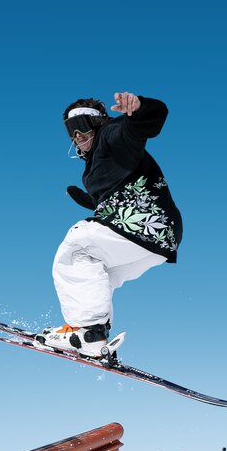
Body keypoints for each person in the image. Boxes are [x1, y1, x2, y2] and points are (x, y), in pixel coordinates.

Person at [42, 93, 182, 359]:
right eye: (72, 134)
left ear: (98, 124)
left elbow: (147, 123)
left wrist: (140, 109)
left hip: (144, 225)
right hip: (160, 239)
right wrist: (89, 200)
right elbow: (115, 191)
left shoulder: (112, 136)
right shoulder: (95, 166)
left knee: (76, 248)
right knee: (98, 273)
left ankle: (88, 332)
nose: (78, 137)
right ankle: (96, 335)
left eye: (83, 128)